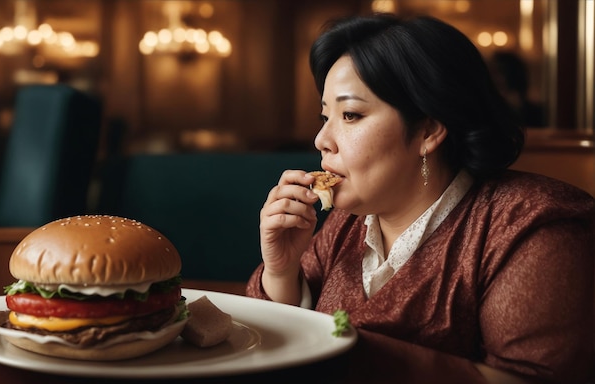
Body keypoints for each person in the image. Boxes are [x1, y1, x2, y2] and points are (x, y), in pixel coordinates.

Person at [246, 13, 594, 384]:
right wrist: (283, 271)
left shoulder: (535, 228)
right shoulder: (346, 222)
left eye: (350, 115)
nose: (321, 140)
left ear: (429, 129)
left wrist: (342, 350)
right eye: (324, 116)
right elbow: (266, 348)